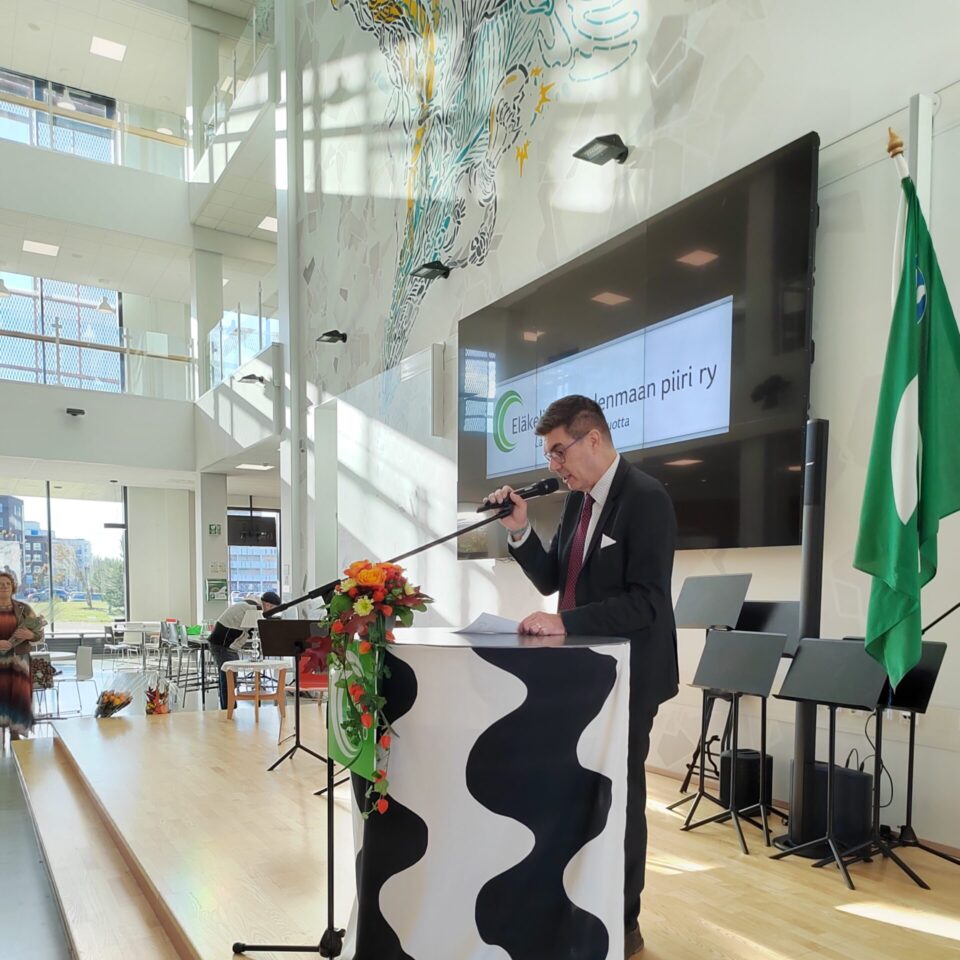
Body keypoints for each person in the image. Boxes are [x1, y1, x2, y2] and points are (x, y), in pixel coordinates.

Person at [486, 395, 678, 959]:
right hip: (580, 673)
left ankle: (624, 920)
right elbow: (555, 579)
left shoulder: (646, 498)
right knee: (577, 792)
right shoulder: (578, 503)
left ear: (593, 438)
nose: (554, 465)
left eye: (558, 451)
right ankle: (575, 903)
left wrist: (565, 622)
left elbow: (646, 602)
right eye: (549, 456)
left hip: (630, 677)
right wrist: (520, 530)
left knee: (621, 797)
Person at [207, 591, 281, 709]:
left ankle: (228, 708)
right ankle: (229, 709)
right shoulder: (254, 610)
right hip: (223, 645)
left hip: (223, 644)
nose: (271, 613)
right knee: (229, 678)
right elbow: (257, 630)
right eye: (273, 609)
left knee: (228, 677)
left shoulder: (249, 604)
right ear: (268, 605)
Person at [0, 571, 46, 745]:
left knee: (19, 695)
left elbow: (39, 634)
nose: (4, 587)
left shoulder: (24, 608)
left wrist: (30, 635)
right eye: (0, 584)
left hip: (19, 661)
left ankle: (16, 731)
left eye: (7, 584)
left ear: (13, 587)